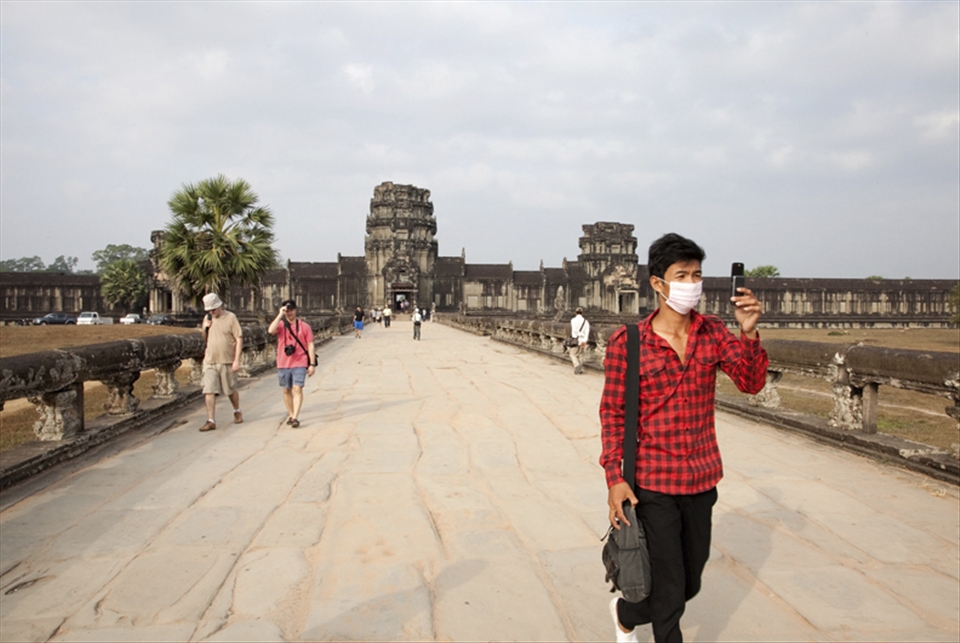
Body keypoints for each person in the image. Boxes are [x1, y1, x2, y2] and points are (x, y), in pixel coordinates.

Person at [600, 233, 768, 643]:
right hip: (652, 480)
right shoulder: (629, 342)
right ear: (658, 283)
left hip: (701, 475)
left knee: (689, 581)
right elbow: (613, 414)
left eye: (697, 274)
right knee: (672, 590)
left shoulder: (712, 333)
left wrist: (748, 333)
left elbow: (750, 383)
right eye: (682, 275)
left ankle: (625, 611)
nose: (692, 283)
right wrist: (614, 478)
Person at [199, 293, 244, 432]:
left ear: (219, 306)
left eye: (213, 309)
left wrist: (236, 360)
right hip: (210, 360)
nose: (211, 312)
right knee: (209, 390)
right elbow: (205, 338)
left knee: (230, 390)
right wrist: (205, 327)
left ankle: (237, 410)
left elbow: (239, 338)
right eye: (209, 310)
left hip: (226, 360)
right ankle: (211, 420)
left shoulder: (230, 317)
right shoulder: (207, 318)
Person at [267, 299, 316, 428]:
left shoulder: (305, 326)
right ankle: (291, 414)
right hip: (283, 363)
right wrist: (279, 315)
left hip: (299, 361)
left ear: (296, 310)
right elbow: (271, 331)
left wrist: (312, 364)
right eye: (287, 310)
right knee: (286, 390)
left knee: (297, 388)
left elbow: (310, 345)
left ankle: (295, 417)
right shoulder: (281, 325)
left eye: (291, 310)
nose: (289, 313)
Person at [569, 307, 590, 374]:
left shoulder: (573, 320)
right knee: (581, 354)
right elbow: (587, 332)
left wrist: (577, 334)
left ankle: (576, 365)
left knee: (572, 354)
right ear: (582, 313)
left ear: (575, 313)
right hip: (583, 339)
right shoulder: (586, 321)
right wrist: (585, 340)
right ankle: (580, 369)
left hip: (575, 339)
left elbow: (574, 330)